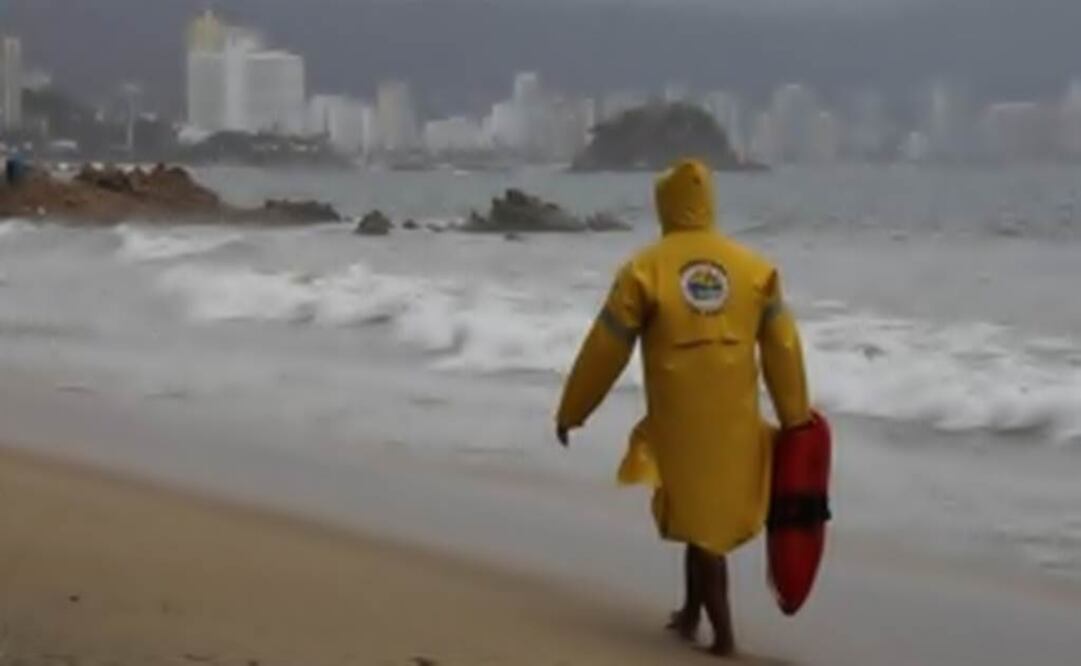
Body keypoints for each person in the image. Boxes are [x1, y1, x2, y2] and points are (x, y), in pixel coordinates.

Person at [555, 158, 812, 657]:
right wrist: (795, 417)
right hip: (735, 419)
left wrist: (574, 409)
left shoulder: (644, 269)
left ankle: (725, 639)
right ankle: (692, 612)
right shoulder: (754, 269)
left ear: (664, 205)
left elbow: (605, 348)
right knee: (702, 519)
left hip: (680, 421)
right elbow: (783, 346)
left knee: (704, 526)